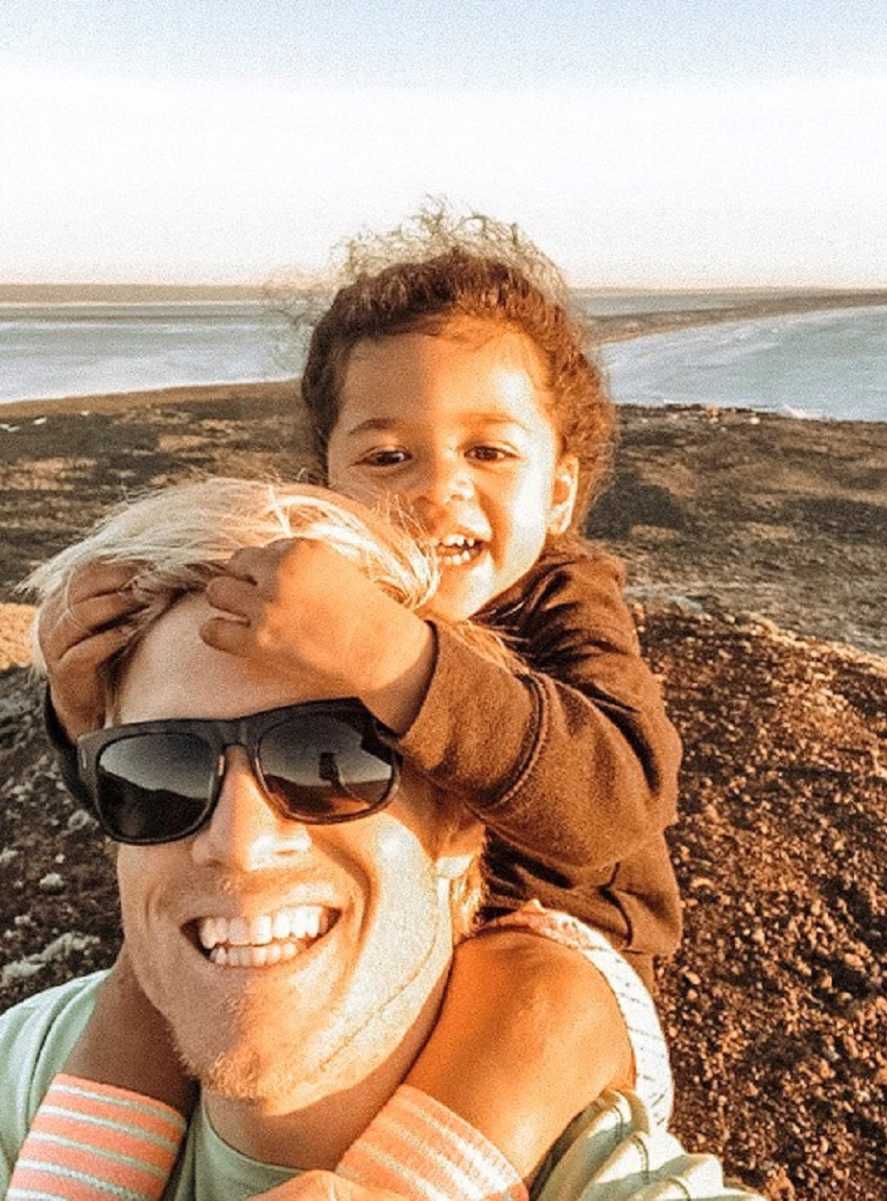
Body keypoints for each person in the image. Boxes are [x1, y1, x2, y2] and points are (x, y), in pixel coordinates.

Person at [35, 209, 682, 1177]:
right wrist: (86, 700)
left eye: (489, 453)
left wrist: (400, 657)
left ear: (558, 493)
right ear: (326, 479)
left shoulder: (567, 600)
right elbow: (167, 795)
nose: (437, 490)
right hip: (365, 931)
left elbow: (615, 809)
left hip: (557, 947)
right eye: (388, 456)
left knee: (532, 978)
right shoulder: (312, 602)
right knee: (143, 968)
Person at [5, 480, 760, 1201]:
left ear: (464, 811)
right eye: (157, 770)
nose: (237, 841)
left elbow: (618, 791)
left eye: (323, 759)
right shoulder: (31, 1067)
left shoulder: (566, 617)